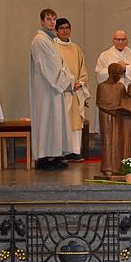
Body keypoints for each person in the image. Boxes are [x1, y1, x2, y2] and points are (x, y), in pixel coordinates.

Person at [29, 9, 78, 170]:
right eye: (48, 19)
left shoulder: (49, 40)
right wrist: (68, 80)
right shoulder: (40, 40)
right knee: (47, 121)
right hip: (47, 88)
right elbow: (52, 67)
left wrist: (66, 77)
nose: (52, 22)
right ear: (42, 21)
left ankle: (54, 155)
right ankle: (44, 158)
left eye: (54, 19)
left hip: (53, 88)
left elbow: (59, 65)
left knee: (54, 122)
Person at [95, 30, 131, 147]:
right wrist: (116, 70)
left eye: (123, 39)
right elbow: (99, 73)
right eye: (118, 39)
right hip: (113, 94)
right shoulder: (104, 56)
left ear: (127, 40)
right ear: (113, 40)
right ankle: (114, 147)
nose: (120, 42)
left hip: (128, 93)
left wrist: (126, 69)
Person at [53, 18, 90, 162]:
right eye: (61, 28)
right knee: (62, 121)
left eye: (67, 28)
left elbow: (83, 69)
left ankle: (74, 151)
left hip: (75, 91)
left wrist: (79, 83)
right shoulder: (53, 47)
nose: (65, 30)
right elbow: (54, 70)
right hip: (61, 91)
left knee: (76, 121)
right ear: (56, 31)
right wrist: (66, 83)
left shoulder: (76, 48)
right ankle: (62, 151)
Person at [96, 63, 127, 176]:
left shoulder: (121, 87)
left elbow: (124, 101)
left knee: (119, 141)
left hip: (119, 117)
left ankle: (118, 166)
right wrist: (113, 110)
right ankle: (107, 167)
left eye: (120, 73)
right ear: (110, 73)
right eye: (117, 73)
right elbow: (100, 103)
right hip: (106, 117)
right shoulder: (102, 86)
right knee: (108, 141)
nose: (119, 75)